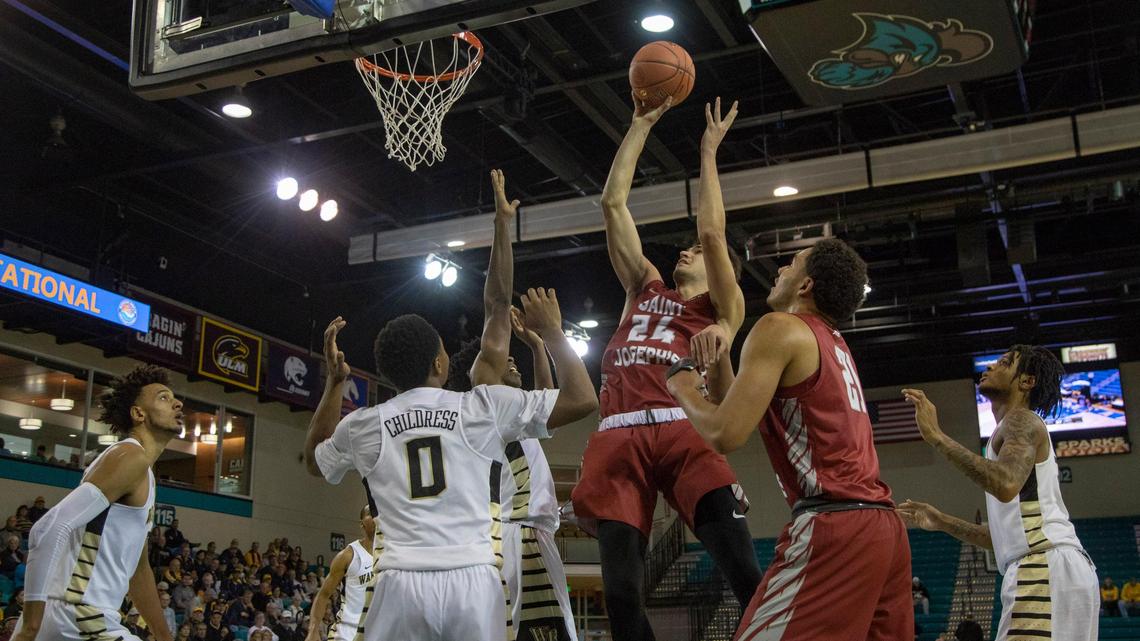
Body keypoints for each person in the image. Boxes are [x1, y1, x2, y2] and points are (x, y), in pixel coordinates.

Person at [305, 288, 598, 641]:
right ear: (439, 364)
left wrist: (335, 383)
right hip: (479, 570)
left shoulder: (366, 424)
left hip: (400, 578)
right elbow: (580, 397)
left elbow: (315, 460)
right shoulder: (481, 408)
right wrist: (551, 332)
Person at [573, 95, 761, 641]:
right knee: (620, 596)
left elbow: (711, 233)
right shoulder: (643, 286)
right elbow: (612, 204)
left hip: (682, 428)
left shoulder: (722, 308)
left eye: (694, 254)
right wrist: (638, 125)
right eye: (682, 250)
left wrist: (708, 152)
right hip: (620, 433)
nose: (686, 252)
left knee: (746, 575)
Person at [666, 238, 912, 640]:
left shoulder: (779, 327)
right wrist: (720, 355)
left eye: (791, 264)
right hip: (883, 527)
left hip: (835, 524)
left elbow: (725, 433)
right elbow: (735, 404)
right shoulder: (832, 341)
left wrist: (683, 388)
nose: (779, 270)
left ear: (805, 286)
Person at [445, 169, 575, 641]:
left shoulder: (499, 414)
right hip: (518, 538)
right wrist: (502, 225)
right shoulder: (487, 400)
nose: (510, 363)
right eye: (504, 362)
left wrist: (539, 346)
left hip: (519, 537)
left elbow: (548, 400)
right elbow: (496, 303)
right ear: (483, 372)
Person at [898, 345, 1099, 640]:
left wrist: (937, 436)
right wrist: (942, 521)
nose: (991, 366)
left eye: (1004, 363)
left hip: (1042, 566)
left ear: (1027, 381)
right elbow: (1002, 538)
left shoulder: (1021, 421)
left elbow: (1005, 484)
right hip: (1056, 566)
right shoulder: (1011, 431)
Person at [11, 364, 179, 641]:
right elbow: (47, 528)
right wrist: (30, 624)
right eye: (163, 397)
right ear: (138, 413)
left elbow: (138, 571)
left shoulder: (141, 470)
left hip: (78, 616)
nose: (177, 402)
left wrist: (164, 637)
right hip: (77, 614)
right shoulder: (129, 456)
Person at [305, 506, 375, 641]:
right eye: (370, 514)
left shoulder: (391, 555)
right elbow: (323, 595)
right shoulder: (348, 555)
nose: (375, 517)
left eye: (377, 513)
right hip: (348, 633)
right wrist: (313, 630)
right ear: (362, 523)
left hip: (378, 632)